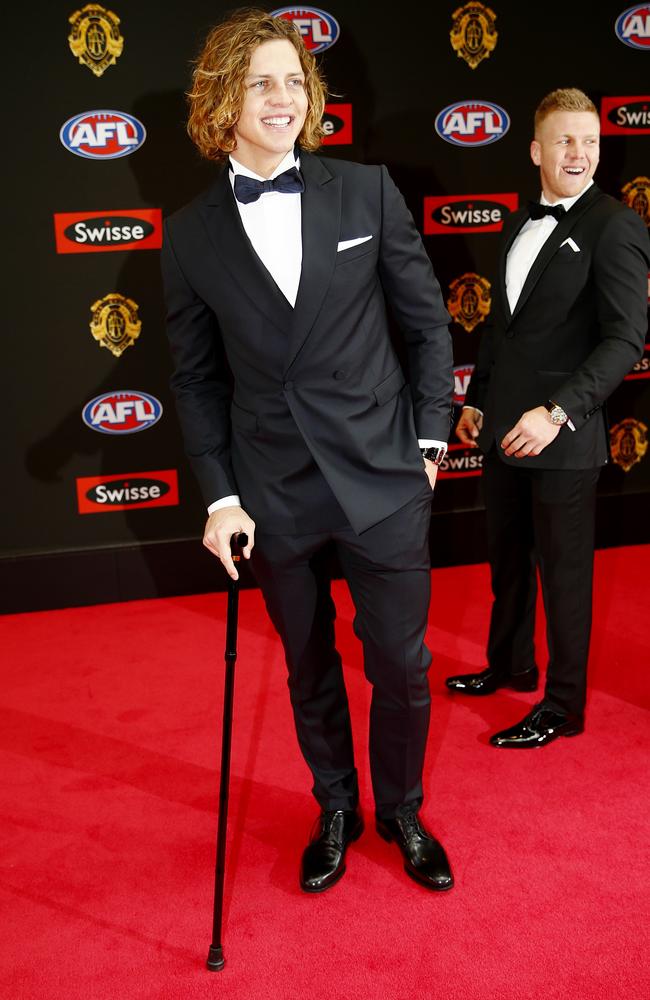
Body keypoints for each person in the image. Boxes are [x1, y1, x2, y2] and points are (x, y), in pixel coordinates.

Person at [161, 9, 455, 891]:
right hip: (275, 489)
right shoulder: (188, 233)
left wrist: (431, 439)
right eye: (261, 82)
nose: (284, 97)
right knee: (307, 663)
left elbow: (427, 325)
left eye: (294, 79)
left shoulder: (367, 192)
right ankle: (336, 802)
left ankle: (401, 809)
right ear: (223, 99)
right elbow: (197, 380)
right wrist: (220, 498)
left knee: (401, 663)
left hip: (382, 476)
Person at [447, 88, 649, 747]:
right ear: (537, 150)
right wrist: (477, 398)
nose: (579, 153)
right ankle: (509, 664)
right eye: (565, 140)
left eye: (590, 142)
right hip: (504, 429)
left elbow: (624, 340)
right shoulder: (516, 222)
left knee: (563, 578)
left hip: (561, 438)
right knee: (507, 560)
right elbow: (504, 330)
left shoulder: (615, 225)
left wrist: (556, 411)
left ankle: (562, 706)